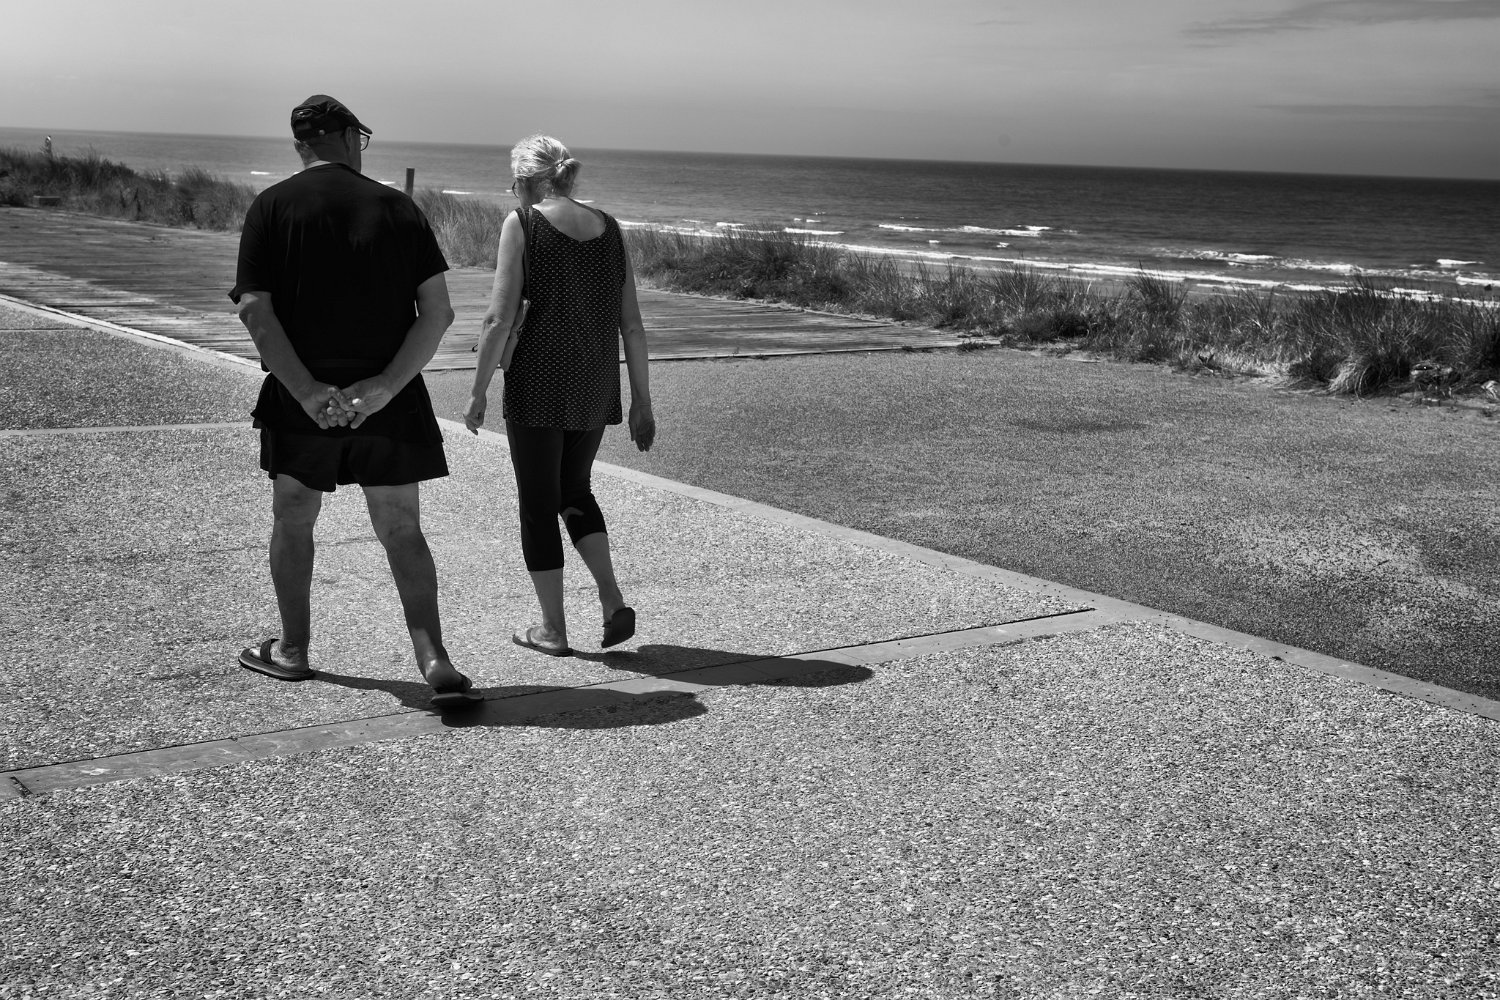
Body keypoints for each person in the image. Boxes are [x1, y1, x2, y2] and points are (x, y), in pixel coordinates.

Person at [229, 94, 478, 707]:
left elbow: (255, 308)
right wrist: (384, 387)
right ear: (346, 138)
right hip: (389, 399)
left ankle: (292, 649)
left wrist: (308, 392)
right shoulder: (398, 208)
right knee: (401, 526)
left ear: (301, 146)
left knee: (293, 516)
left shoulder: (271, 206)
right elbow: (438, 312)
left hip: (300, 397)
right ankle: (434, 657)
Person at [464, 134, 654, 657]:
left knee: (538, 504)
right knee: (575, 490)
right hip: (595, 383)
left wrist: (478, 390)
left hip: (538, 385)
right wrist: (642, 401)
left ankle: (553, 628)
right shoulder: (609, 227)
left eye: (514, 184)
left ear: (526, 181)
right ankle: (612, 599)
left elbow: (498, 318)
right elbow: (632, 325)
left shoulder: (523, 223)